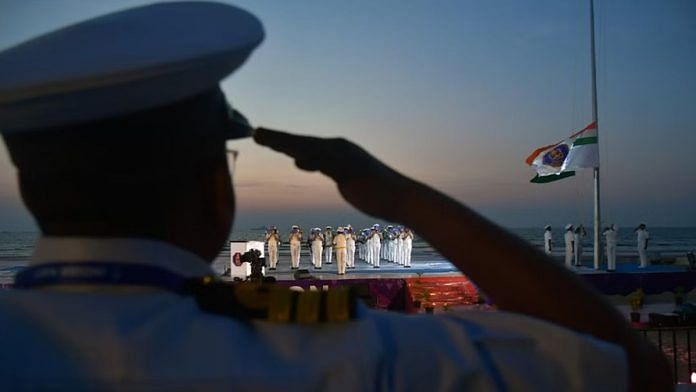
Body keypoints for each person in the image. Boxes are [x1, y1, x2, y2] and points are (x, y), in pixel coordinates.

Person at [0, 3, 669, 390]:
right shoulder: (340, 355)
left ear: (31, 186)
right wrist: (407, 198)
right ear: (214, 188)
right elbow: (625, 370)